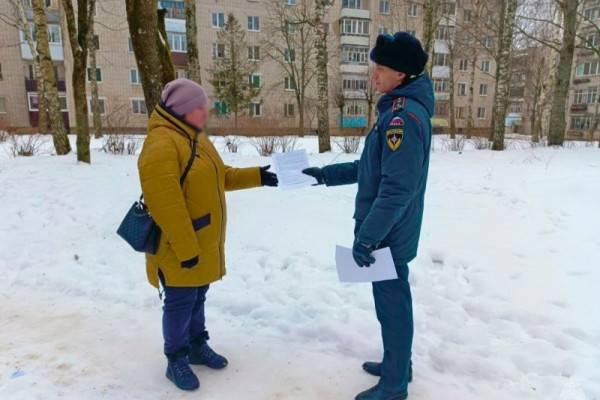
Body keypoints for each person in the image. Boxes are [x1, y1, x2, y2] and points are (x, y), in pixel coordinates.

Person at [303, 32, 434, 400]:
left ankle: (394, 385)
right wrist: (326, 175)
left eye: (382, 68)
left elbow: (397, 189)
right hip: (390, 230)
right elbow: (372, 168)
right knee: (392, 303)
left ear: (403, 74)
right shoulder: (399, 108)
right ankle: (398, 365)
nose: (373, 75)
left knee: (392, 307)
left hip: (388, 233)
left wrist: (368, 238)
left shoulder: (402, 118)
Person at [137, 78, 278, 391]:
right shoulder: (161, 145)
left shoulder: (194, 138)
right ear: (184, 110)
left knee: (198, 295)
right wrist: (186, 249)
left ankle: (197, 345)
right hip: (177, 246)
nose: (206, 114)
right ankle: (176, 359)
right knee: (179, 302)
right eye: (201, 109)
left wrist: (258, 176)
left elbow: (221, 175)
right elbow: (166, 206)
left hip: (202, 241)